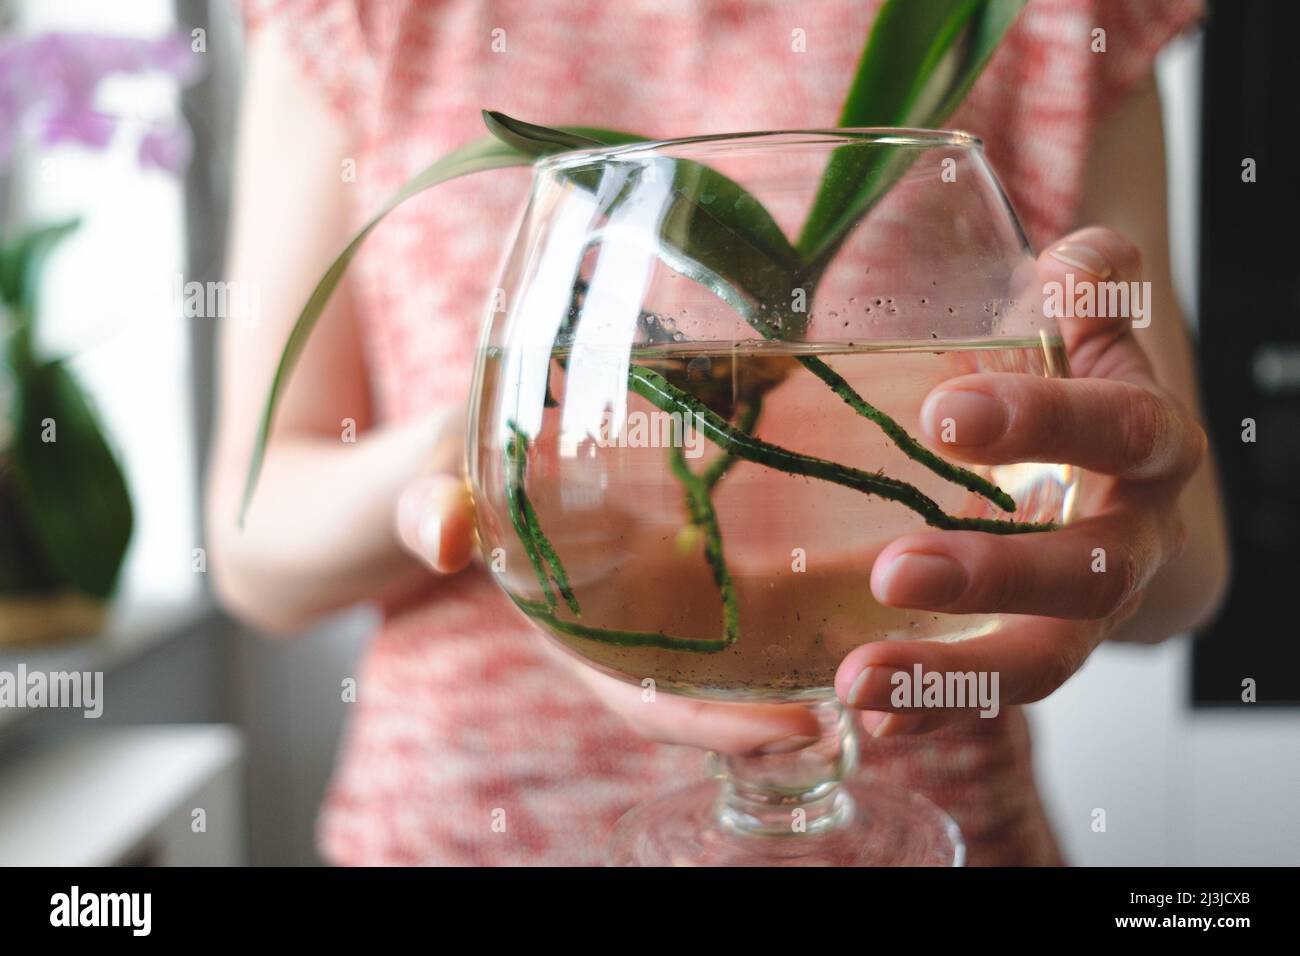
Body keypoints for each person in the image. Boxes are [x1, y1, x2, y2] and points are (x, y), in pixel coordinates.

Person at [207, 0, 1228, 865]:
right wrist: (479, 469)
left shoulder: (1047, 16)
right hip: (459, 832)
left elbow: (1184, 565)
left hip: (927, 817)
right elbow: (253, 547)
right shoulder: (361, 16)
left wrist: (1123, 513)